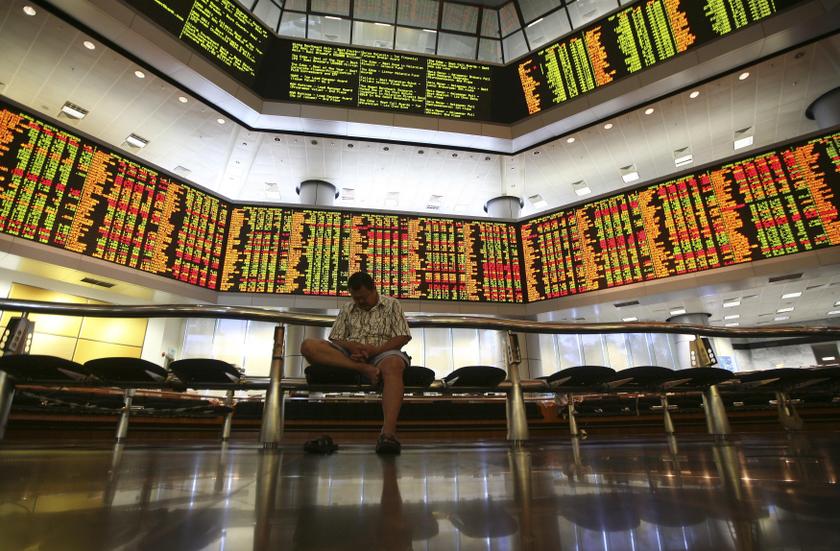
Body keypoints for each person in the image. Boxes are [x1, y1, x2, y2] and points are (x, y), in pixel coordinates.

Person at [301, 272, 411, 454]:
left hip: (382, 352)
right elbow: (336, 338)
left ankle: (388, 434)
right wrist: (352, 347)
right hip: (350, 355)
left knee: (394, 365)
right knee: (309, 346)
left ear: (374, 289)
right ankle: (363, 369)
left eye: (364, 297)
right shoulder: (347, 308)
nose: (360, 302)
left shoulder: (392, 304)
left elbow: (402, 336)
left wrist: (375, 350)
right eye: (356, 298)